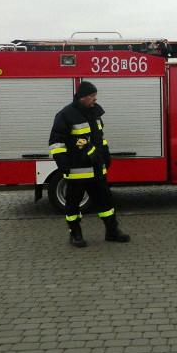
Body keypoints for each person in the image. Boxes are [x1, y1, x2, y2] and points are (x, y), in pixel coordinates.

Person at [48, 81, 130, 247]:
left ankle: (112, 231)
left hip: (97, 169)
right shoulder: (65, 115)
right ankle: (75, 234)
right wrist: (63, 163)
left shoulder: (95, 113)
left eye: (95, 95)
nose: (95, 99)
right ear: (82, 97)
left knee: (106, 202)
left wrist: (106, 156)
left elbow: (100, 139)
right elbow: (56, 142)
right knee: (73, 205)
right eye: (92, 96)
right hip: (77, 171)